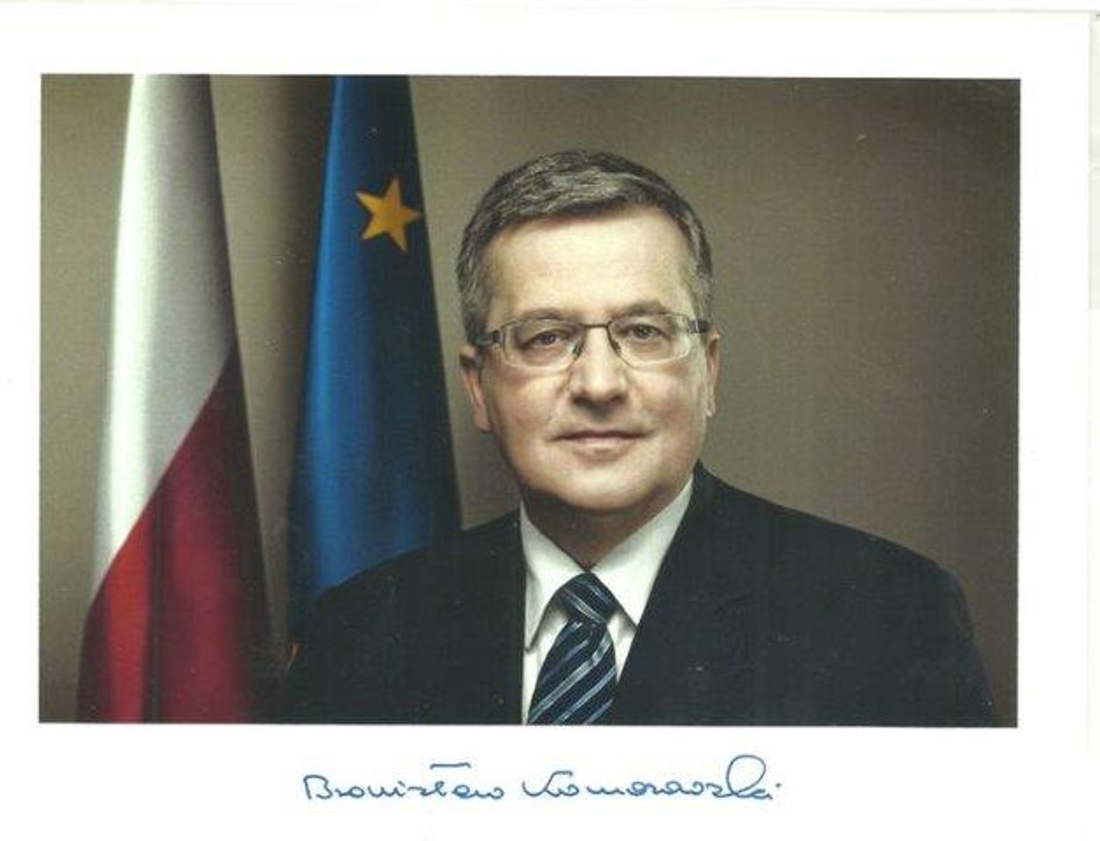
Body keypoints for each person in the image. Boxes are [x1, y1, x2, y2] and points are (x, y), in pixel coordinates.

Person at [280, 149, 996, 726]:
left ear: (707, 372)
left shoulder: (887, 617)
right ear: (479, 387)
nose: (598, 383)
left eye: (644, 331)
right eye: (545, 336)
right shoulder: (358, 633)